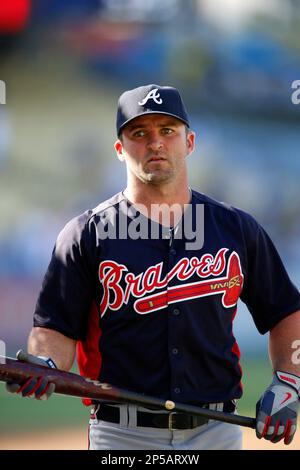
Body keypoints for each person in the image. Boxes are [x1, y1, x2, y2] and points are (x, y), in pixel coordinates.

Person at [7, 84, 300, 450]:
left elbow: (286, 310)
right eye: (139, 133)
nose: (155, 143)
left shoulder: (236, 228)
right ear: (120, 149)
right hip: (121, 435)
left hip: (215, 431)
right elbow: (54, 329)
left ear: (189, 142)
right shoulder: (86, 234)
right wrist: (45, 364)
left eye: (167, 131)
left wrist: (288, 382)